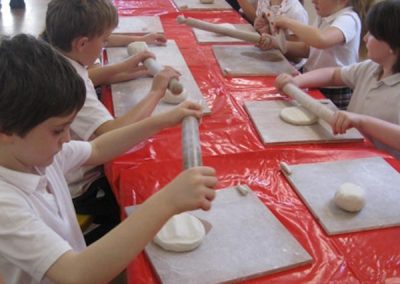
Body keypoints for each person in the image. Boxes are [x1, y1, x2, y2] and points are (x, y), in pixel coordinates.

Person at [0, 33, 217, 284]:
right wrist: (168, 201)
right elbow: (76, 273)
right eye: (58, 130)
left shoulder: (35, 155)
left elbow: (98, 148)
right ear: (6, 131)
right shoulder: (6, 204)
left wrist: (164, 119)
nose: (68, 139)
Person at [44, 0, 182, 244]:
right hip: (81, 188)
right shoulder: (70, 84)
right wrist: (155, 93)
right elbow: (111, 133)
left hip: (68, 168)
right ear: (82, 43)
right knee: (143, 193)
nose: (105, 46)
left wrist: (134, 69)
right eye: (105, 41)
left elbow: (93, 75)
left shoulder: (56, 54)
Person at [275, 0, 400, 158]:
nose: (365, 38)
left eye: (373, 34)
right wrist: (297, 81)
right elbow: (334, 74)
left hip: (386, 169)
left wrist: (361, 122)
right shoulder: (370, 68)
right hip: (357, 153)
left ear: (392, 46)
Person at [261, 0, 365, 109]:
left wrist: (288, 22)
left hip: (333, 90)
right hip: (311, 80)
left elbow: (322, 40)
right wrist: (276, 43)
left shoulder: (349, 19)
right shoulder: (323, 16)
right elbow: (307, 49)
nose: (313, 1)